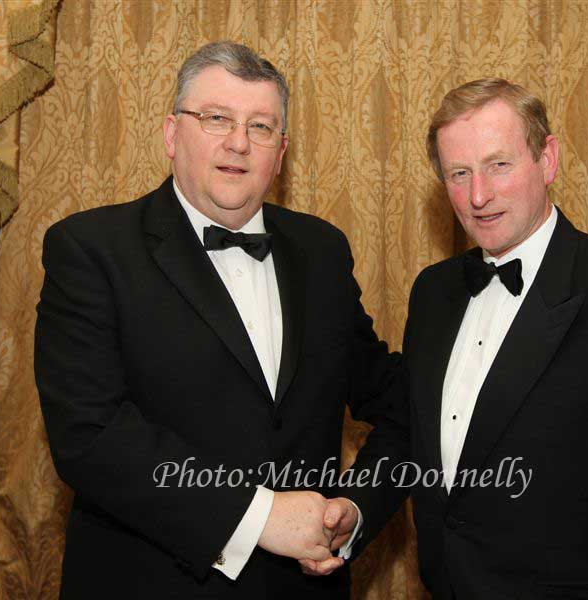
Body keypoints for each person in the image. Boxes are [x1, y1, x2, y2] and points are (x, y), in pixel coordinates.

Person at [34, 41, 404, 599]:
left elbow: (399, 401)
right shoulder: (89, 249)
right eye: (216, 118)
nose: (238, 142)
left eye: (260, 126)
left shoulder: (322, 249)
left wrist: (356, 507)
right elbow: (89, 436)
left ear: (280, 153)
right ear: (170, 134)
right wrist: (260, 517)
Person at [342, 78, 588, 598]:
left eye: (499, 165)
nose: (478, 195)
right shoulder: (434, 292)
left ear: (548, 160)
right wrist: (352, 508)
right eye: (459, 173)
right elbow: (415, 435)